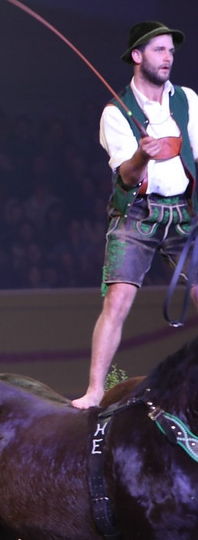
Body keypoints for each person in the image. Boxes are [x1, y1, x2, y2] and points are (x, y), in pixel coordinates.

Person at [71, 21, 198, 408]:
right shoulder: (116, 112)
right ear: (138, 56)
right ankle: (94, 390)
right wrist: (144, 153)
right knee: (117, 301)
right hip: (138, 214)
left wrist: (171, 147)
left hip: (184, 212)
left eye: (171, 51)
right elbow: (126, 175)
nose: (168, 57)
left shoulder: (188, 100)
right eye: (159, 50)